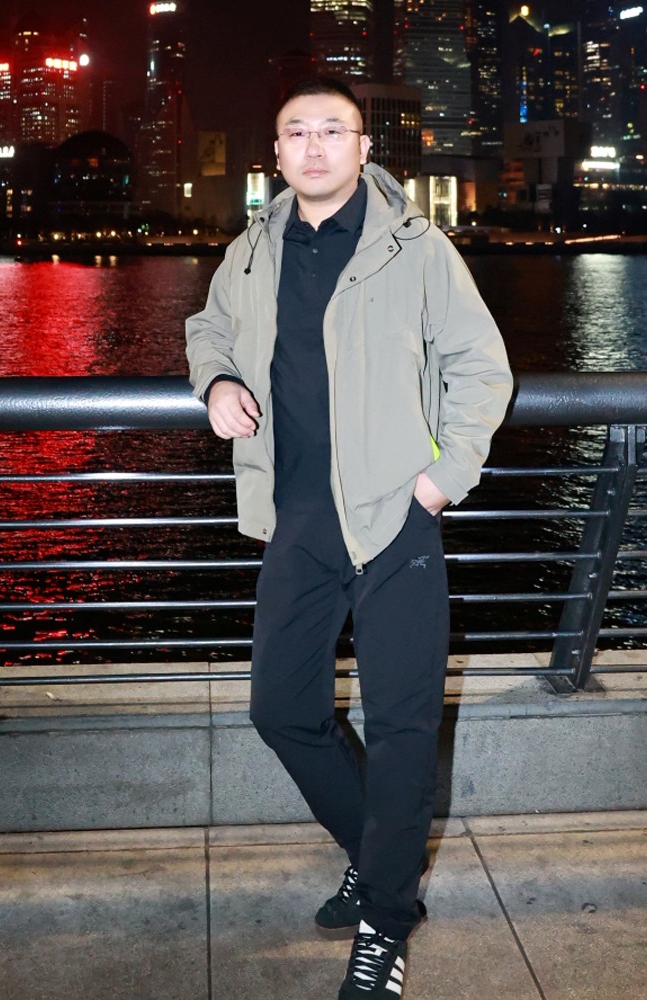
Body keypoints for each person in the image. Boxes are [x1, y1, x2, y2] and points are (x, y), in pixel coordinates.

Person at [186, 77, 513, 999]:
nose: (315, 145)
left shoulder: (417, 247)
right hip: (295, 516)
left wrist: (442, 480)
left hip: (395, 516)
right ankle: (382, 863)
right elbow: (209, 326)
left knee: (403, 727)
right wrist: (216, 381)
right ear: (277, 155)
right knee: (280, 710)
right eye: (297, 132)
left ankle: (385, 921)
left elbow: (480, 369)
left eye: (334, 130)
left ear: (365, 149)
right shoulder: (252, 248)